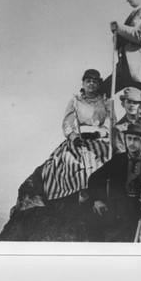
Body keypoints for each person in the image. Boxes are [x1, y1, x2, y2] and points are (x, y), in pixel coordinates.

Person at [87, 123, 141, 242]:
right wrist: (98, 199)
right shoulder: (118, 160)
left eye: (136, 139)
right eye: (129, 138)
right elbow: (95, 178)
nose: (131, 143)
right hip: (120, 205)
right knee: (92, 222)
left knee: (132, 235)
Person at [41, 69, 112, 201]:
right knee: (72, 159)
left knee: (103, 158)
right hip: (80, 137)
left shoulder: (106, 102)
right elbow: (67, 124)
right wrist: (74, 138)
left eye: (94, 82)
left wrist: (99, 133)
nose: (91, 84)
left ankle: (99, 192)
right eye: (88, 81)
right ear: (83, 83)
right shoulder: (75, 101)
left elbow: (110, 123)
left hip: (99, 138)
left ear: (99, 84)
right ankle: (83, 191)